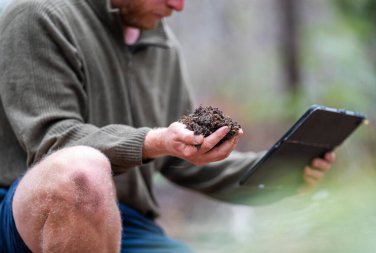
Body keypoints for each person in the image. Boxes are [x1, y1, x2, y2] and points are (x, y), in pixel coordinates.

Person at [0, 0, 335, 252]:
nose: (178, 5)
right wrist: (156, 140)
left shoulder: (160, 42)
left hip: (128, 223)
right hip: (27, 215)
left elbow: (184, 161)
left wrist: (276, 174)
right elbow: (56, 142)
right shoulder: (40, 16)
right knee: (81, 169)